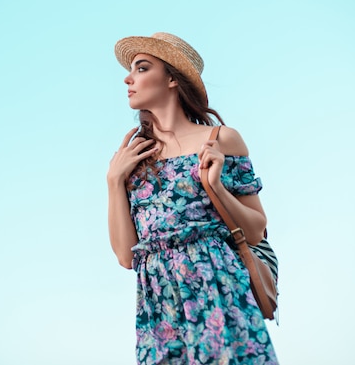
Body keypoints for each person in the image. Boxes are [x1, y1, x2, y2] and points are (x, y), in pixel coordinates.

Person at [107, 32, 279, 364]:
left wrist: (214, 186)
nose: (128, 78)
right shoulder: (133, 158)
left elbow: (257, 230)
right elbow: (126, 257)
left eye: (142, 68)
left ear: (173, 78)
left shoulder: (221, 140)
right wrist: (114, 181)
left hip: (220, 292)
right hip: (160, 306)